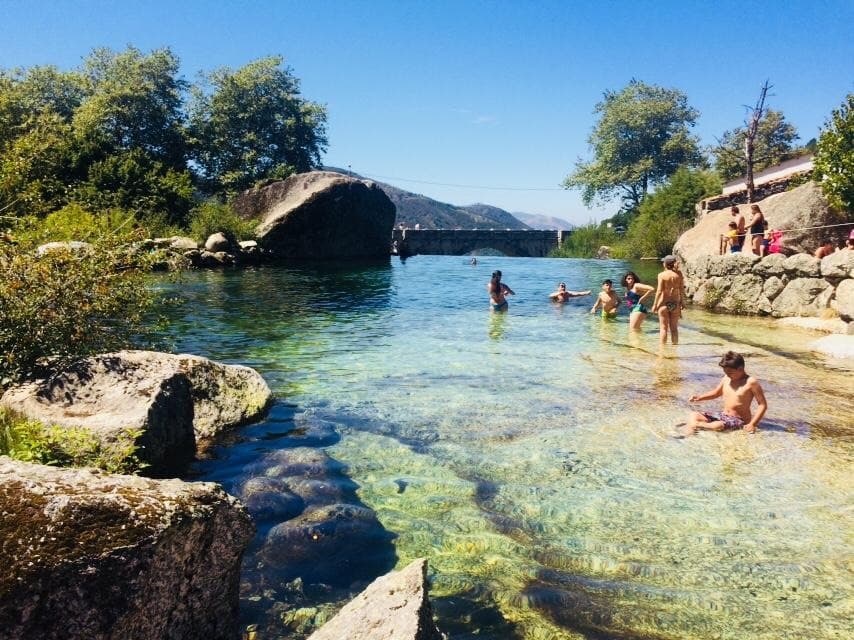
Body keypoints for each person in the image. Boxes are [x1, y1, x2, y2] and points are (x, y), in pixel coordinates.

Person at [684, 351, 767, 434]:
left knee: (718, 426)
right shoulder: (726, 378)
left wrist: (752, 424)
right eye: (725, 373)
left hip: (738, 419)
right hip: (723, 415)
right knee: (694, 415)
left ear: (740, 369)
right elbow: (716, 393)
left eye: (730, 373)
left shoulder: (751, 382)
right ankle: (688, 436)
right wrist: (700, 397)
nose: (728, 375)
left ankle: (696, 425)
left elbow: (762, 405)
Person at [651, 255, 683, 345]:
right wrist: (682, 302)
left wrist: (655, 305)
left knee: (663, 328)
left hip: (664, 304)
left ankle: (663, 351)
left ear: (665, 264)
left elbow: (659, 291)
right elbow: (681, 289)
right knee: (674, 329)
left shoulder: (661, 275)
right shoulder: (679, 274)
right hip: (675, 304)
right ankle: (674, 348)